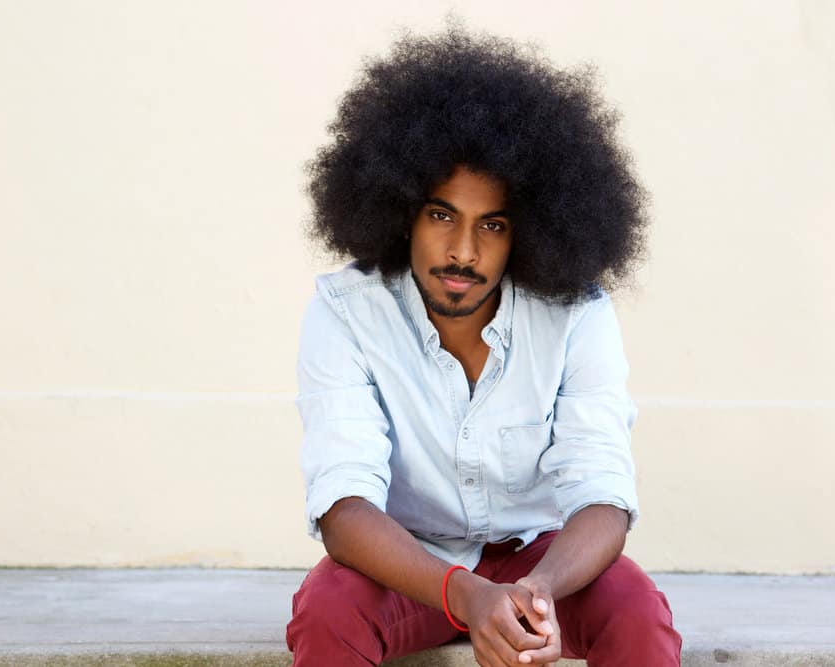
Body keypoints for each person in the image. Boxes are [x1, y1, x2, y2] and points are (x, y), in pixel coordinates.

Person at [286, 22, 682, 667]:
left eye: (491, 225)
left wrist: (538, 593)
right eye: (442, 214)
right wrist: (464, 595)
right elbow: (344, 505)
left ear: (528, 231)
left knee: (637, 611)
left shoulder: (576, 314)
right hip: (407, 561)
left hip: (541, 563)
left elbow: (602, 493)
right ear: (401, 210)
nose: (463, 251)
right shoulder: (346, 312)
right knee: (329, 609)